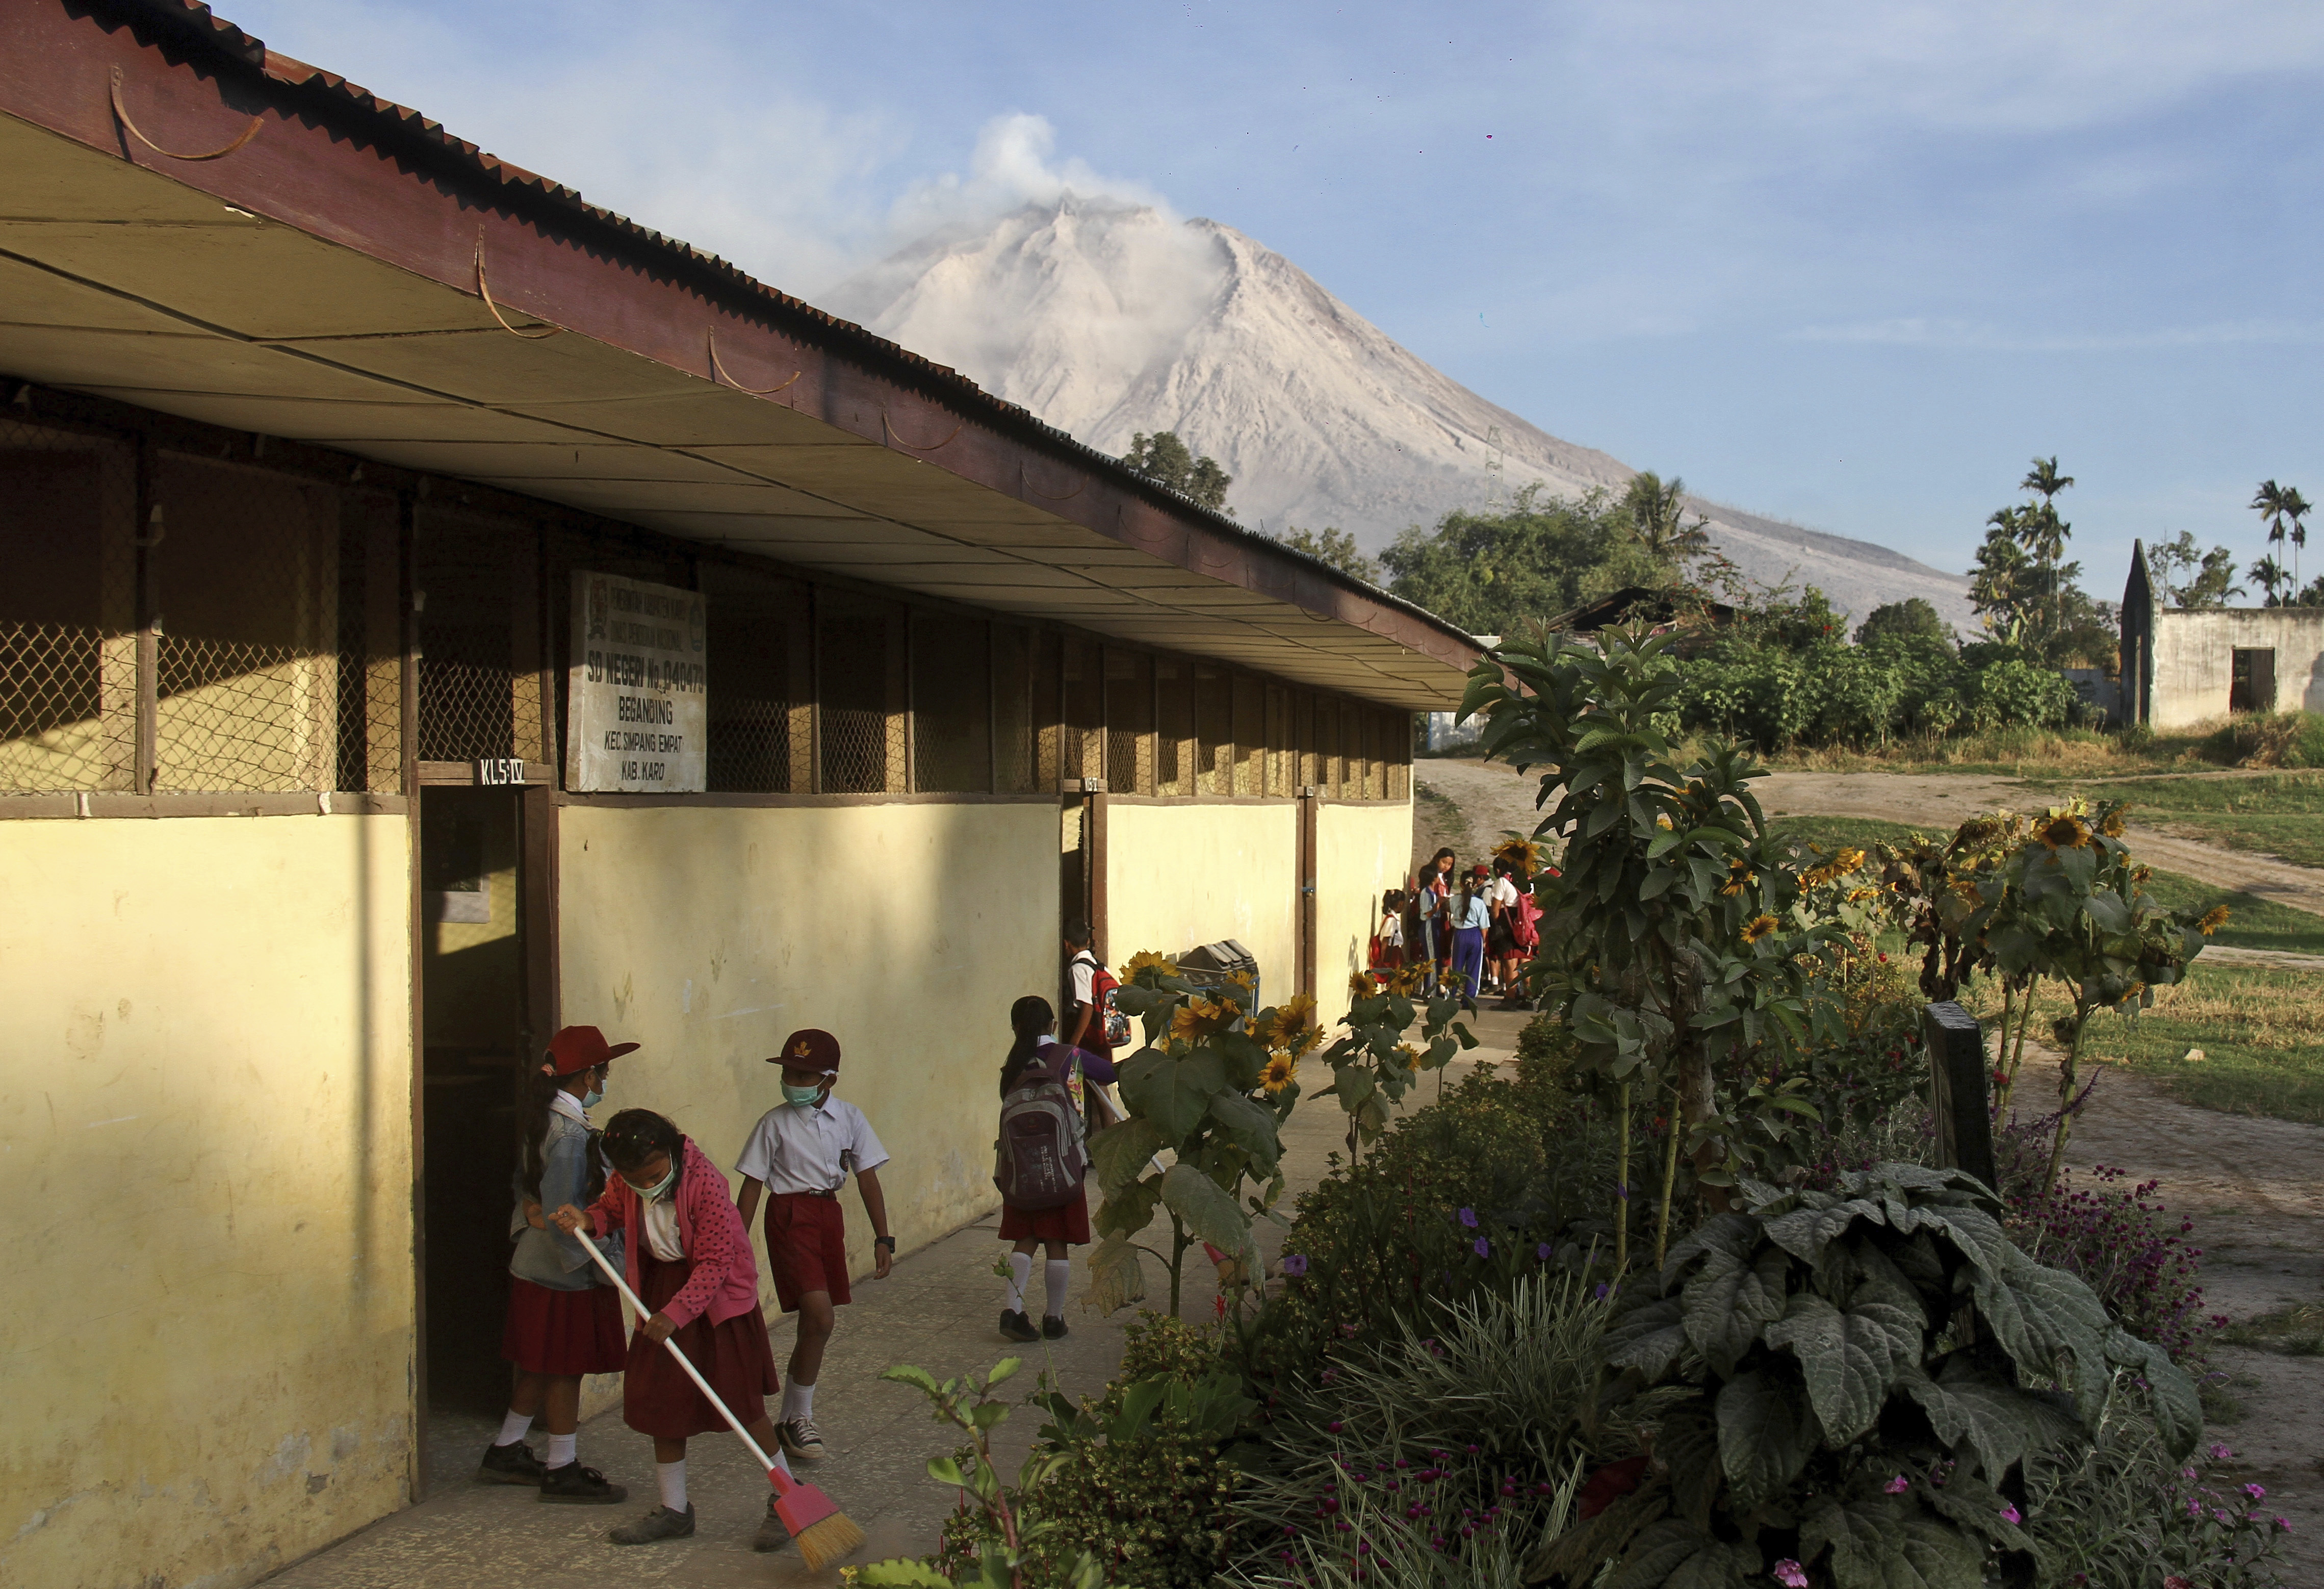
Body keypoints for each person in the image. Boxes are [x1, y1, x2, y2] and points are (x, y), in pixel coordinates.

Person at [551, 1110, 789, 1550]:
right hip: (662, 1288)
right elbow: (610, 1209)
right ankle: (675, 1509)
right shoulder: (627, 1179)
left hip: (715, 1302)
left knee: (740, 1401)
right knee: (664, 1401)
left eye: (653, 1175)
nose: (644, 1186)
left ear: (672, 1152)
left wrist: (677, 1314)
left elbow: (717, 1263)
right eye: (634, 1178)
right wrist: (587, 1221)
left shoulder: (707, 1185)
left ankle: (786, 1495)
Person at [482, 1025, 633, 1503]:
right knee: (565, 1367)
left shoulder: (544, 1120)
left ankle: (506, 1448)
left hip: (536, 1262)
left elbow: (531, 1197)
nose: (605, 1080)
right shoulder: (569, 1136)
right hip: (564, 1272)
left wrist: (533, 1218)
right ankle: (561, 1468)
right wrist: (602, 1266)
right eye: (603, 1071)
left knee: (540, 1363)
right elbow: (565, 1213)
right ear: (589, 1077)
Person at [734, 1029, 893, 1467]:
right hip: (789, 1216)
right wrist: (732, 1244)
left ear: (830, 1081)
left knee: (816, 1319)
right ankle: (801, 1415)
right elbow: (751, 1186)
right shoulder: (774, 1123)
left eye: (805, 1076)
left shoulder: (850, 1117)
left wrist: (884, 1236)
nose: (794, 1082)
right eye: (789, 1073)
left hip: (828, 1217)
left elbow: (867, 1176)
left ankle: (789, 1419)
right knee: (820, 1316)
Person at [995, 994, 1113, 1342]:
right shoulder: (1069, 1057)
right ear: (1054, 1026)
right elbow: (1109, 1072)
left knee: (1026, 1236)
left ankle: (1013, 1311)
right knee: (1057, 1239)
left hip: (1020, 1167)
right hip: (1064, 1162)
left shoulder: (1012, 1066)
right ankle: (1054, 1318)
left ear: (1016, 1028)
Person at [1061, 918, 1121, 1068]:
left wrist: (1073, 1045)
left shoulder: (1078, 969)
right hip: (1103, 1034)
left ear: (1066, 944)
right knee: (1100, 1082)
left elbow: (1087, 1007)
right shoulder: (1098, 966)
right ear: (1088, 942)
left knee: (1087, 1083)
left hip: (1090, 1038)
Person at [1448, 867, 1490, 1005]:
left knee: (1457, 967)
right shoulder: (1479, 903)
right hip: (1475, 934)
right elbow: (1484, 926)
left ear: (1461, 884)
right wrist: (1483, 942)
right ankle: (1469, 999)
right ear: (1475, 885)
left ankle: (1452, 995)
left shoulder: (1454, 901)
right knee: (1474, 969)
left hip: (1460, 934)